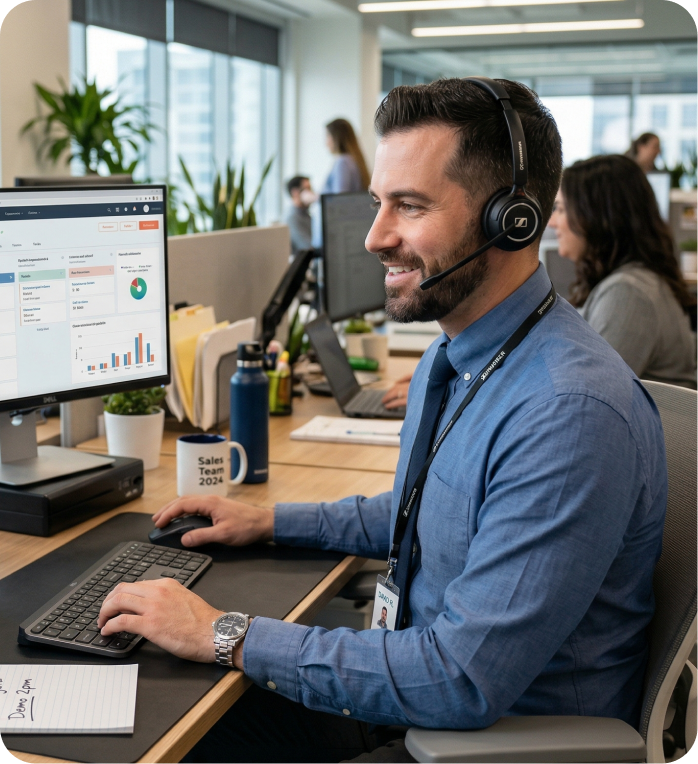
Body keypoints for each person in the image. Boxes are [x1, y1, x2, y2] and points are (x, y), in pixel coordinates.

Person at [97, 79, 667, 764]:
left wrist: (226, 633)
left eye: (410, 206)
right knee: (153, 726)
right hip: (411, 705)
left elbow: (459, 678)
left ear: (510, 220)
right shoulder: (456, 355)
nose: (375, 237)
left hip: (489, 744)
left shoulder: (569, 413)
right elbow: (425, 512)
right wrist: (269, 522)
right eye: (377, 204)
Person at [549, 154, 698, 389]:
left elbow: (588, 393)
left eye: (561, 209)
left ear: (596, 216)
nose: (552, 222)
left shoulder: (629, 293)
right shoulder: (632, 282)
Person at [323, 118, 371, 194]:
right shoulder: (355, 160)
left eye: (328, 136)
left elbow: (339, 198)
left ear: (336, 137)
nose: (326, 142)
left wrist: (311, 197)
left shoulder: (342, 162)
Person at [286, 175, 314, 256]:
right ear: (295, 192)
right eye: (307, 189)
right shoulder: (292, 218)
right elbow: (307, 247)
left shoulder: (305, 214)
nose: (310, 193)